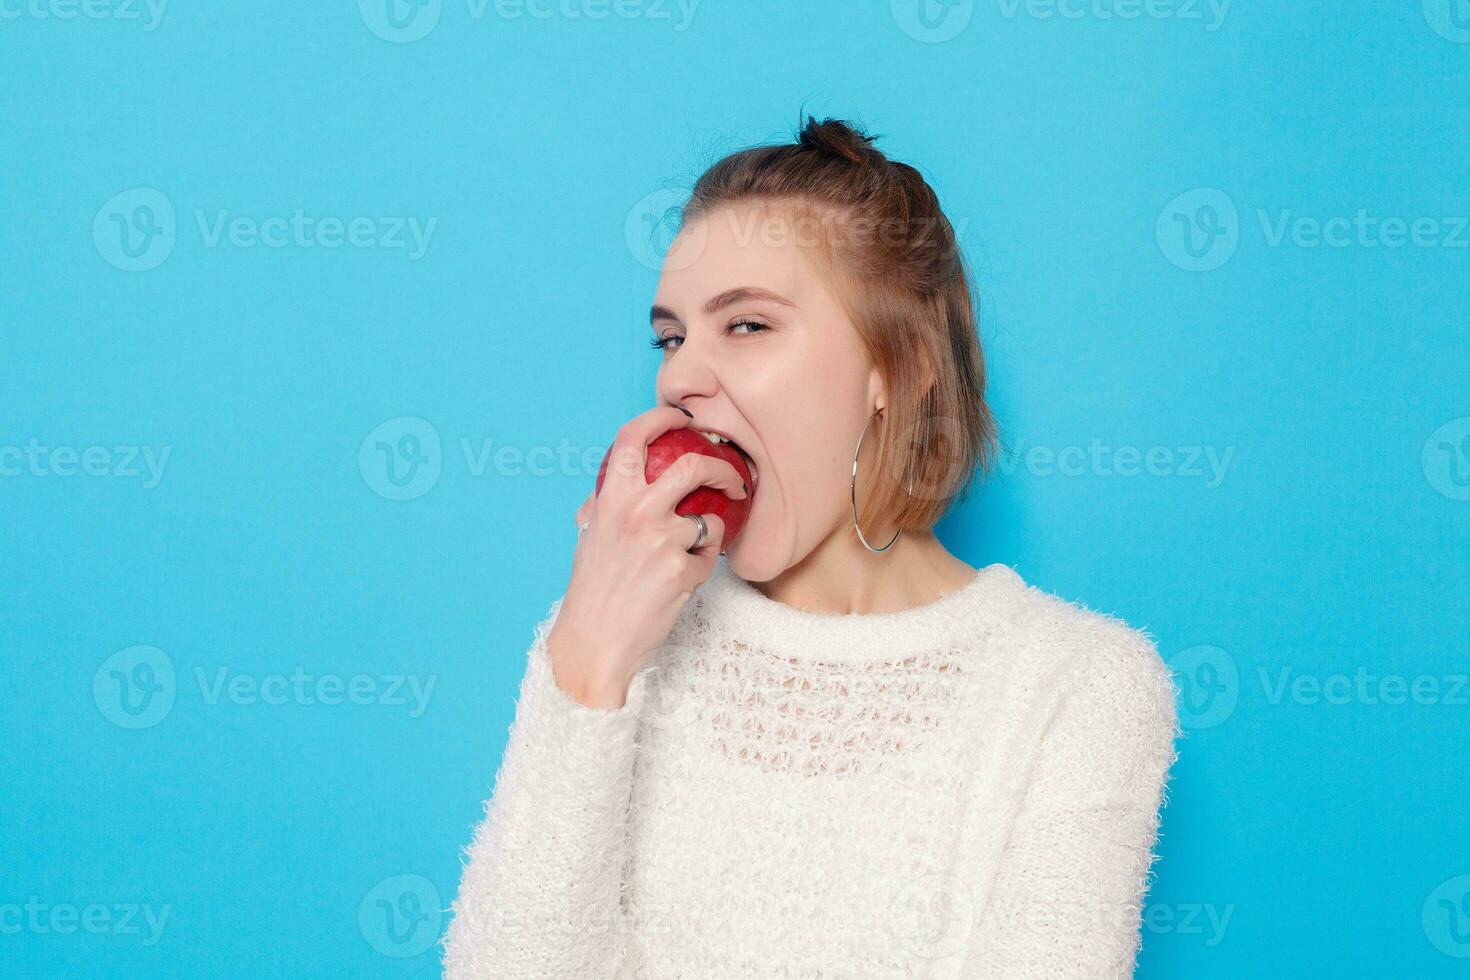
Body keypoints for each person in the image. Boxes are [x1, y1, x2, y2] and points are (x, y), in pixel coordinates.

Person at [441, 115, 1180, 979]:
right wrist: (588, 660)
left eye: (746, 326)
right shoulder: (618, 645)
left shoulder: (1082, 686)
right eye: (671, 337)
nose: (678, 378)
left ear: (896, 368)